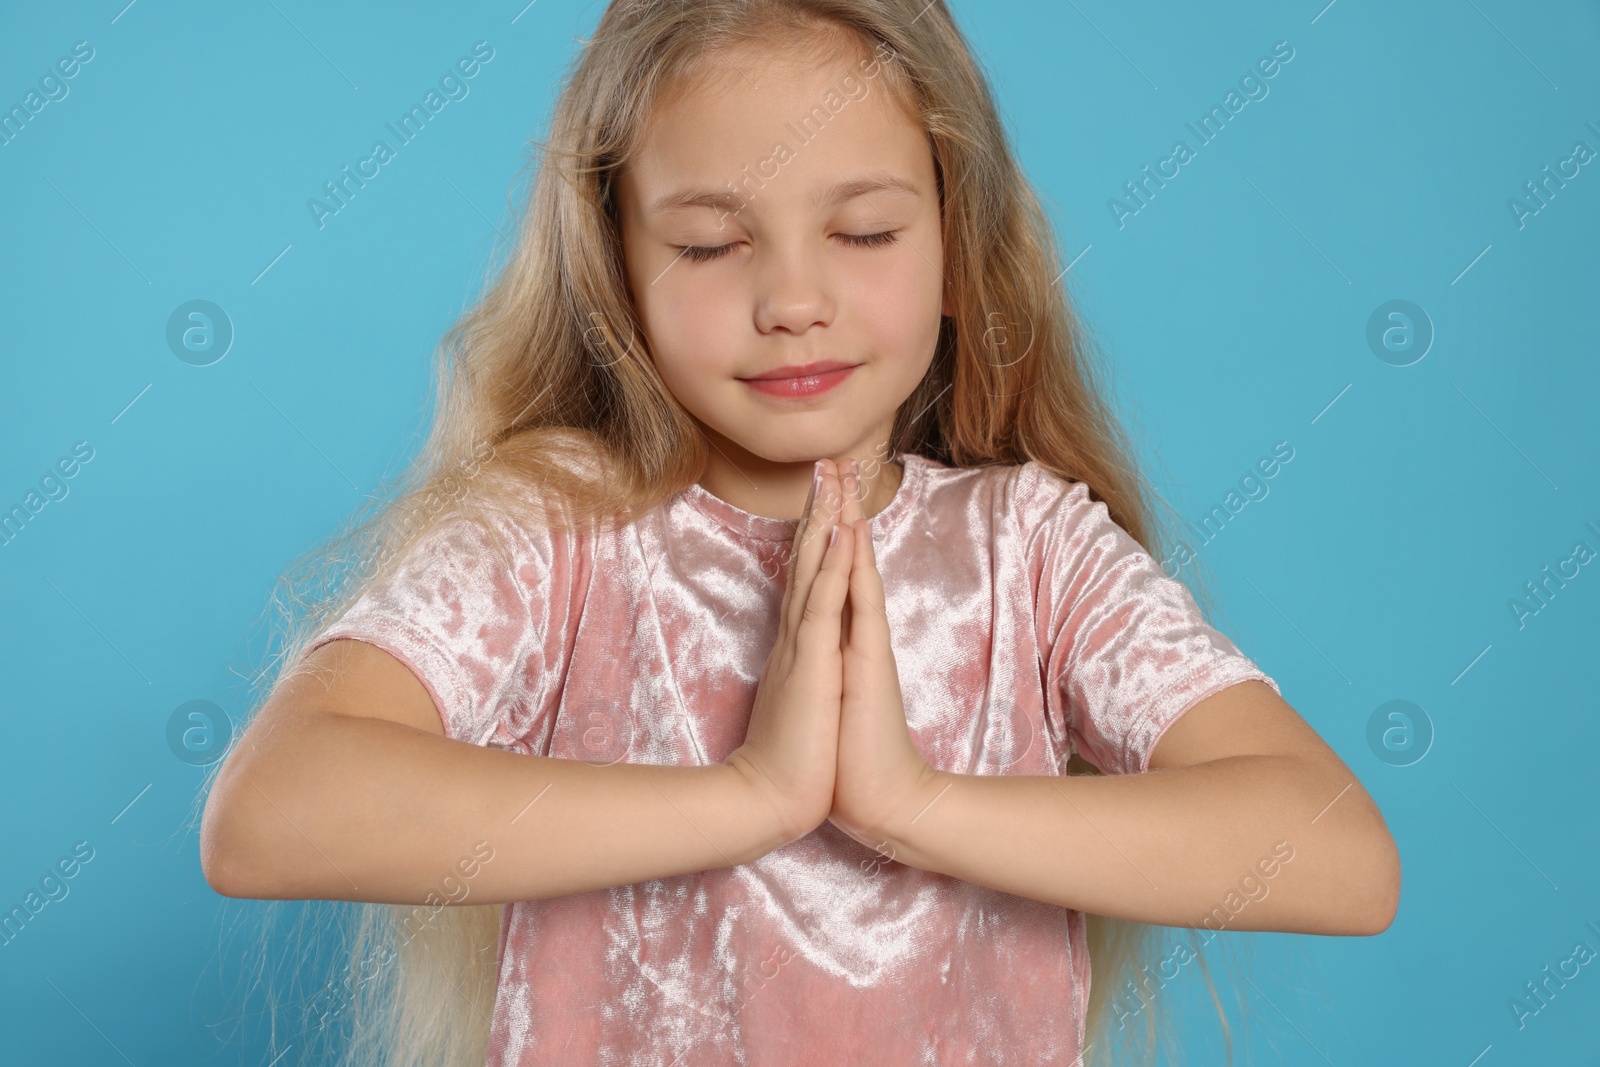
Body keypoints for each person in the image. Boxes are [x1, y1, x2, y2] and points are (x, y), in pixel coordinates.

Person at [198, 2, 1401, 1064]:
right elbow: (270, 814)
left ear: (951, 252)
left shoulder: (1030, 550)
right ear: (616, 271)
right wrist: (756, 793)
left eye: (864, 231)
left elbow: (1340, 858)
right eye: (711, 244)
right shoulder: (560, 530)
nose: (790, 300)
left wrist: (906, 803)